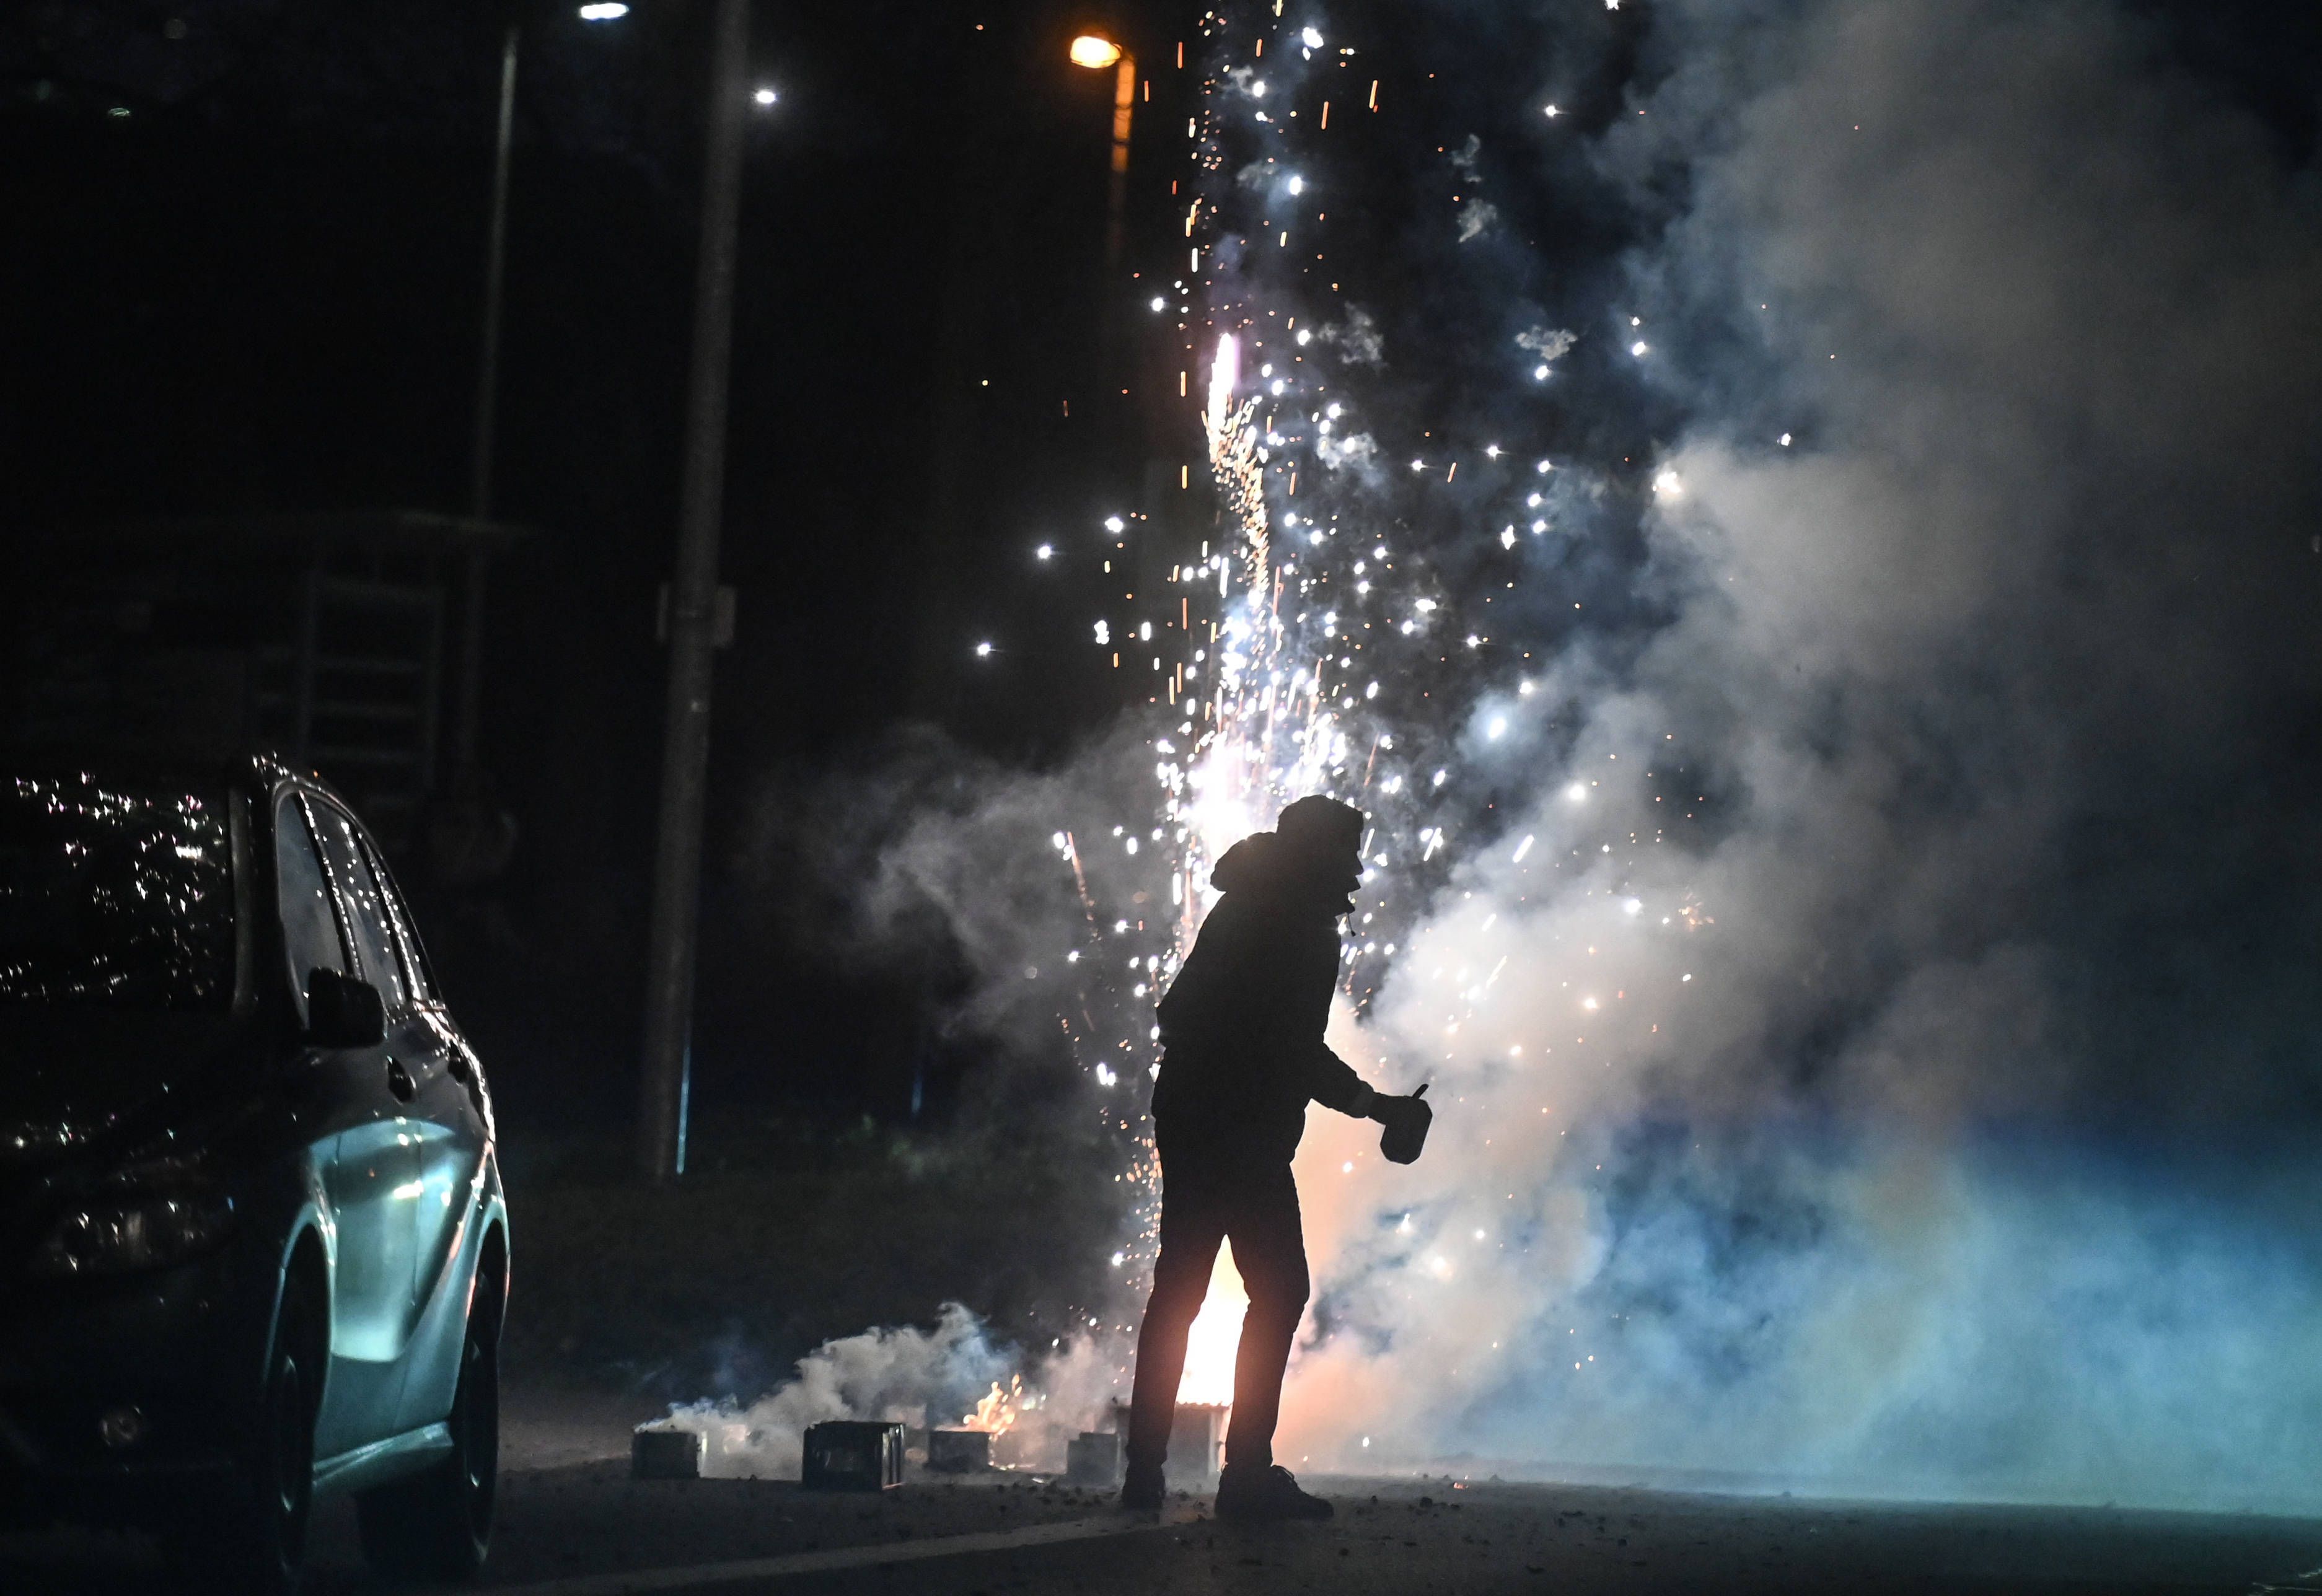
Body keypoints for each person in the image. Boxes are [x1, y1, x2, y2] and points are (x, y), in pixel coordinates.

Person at [1120, 796, 1431, 1520]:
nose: (1351, 875)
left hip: (1191, 1110)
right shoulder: (1302, 927)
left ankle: (1143, 1473)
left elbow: (1177, 1012)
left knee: (1180, 1288)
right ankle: (1247, 1476)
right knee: (1280, 1289)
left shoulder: (1242, 906)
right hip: (1243, 1128)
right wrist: (1377, 1105)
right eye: (1345, 856)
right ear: (1323, 857)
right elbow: (1293, 1052)